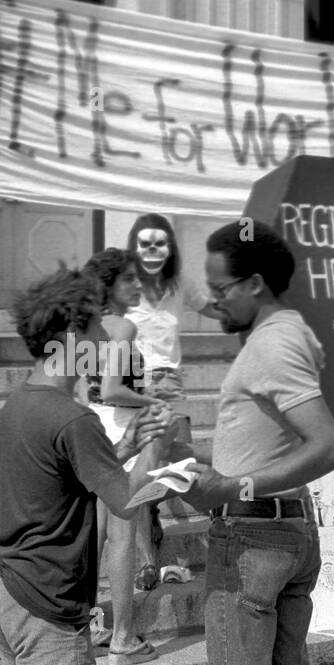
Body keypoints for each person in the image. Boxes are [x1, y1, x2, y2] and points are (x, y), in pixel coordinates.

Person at [0, 269, 179, 665]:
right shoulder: (74, 418)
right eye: (96, 328)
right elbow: (127, 502)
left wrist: (124, 450)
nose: (103, 340)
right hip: (48, 604)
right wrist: (156, 451)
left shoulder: (21, 403)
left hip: (7, 589)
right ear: (71, 338)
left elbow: (69, 477)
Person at [179, 219, 334, 665]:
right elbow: (269, 438)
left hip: (252, 540)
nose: (214, 300)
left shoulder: (272, 344)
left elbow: (327, 446)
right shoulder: (288, 331)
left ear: (253, 283)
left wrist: (229, 485)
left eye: (221, 288)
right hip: (290, 531)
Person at [122, 214, 220, 580]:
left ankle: (153, 520)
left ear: (170, 247)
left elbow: (211, 307)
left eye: (159, 243)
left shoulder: (180, 284)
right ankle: (147, 561)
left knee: (171, 469)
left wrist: (250, 305)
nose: (152, 250)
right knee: (143, 468)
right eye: (145, 243)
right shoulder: (125, 286)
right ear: (134, 246)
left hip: (169, 384)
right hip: (131, 386)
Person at [80, 249, 164, 665]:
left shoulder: (84, 327)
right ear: (110, 285)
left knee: (94, 534)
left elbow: (88, 388)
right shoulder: (125, 326)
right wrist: (153, 399)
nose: (137, 285)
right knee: (123, 535)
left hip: (94, 427)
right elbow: (114, 388)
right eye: (129, 279)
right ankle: (124, 638)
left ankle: (92, 626)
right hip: (123, 426)